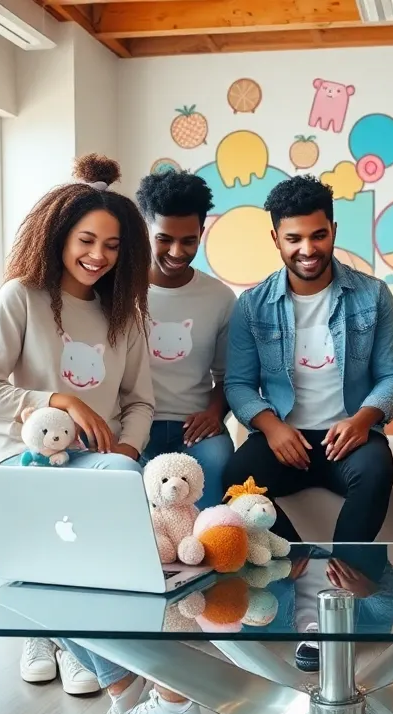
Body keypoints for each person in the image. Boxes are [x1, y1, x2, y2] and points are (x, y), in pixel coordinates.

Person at [0, 155, 197, 714]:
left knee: (104, 574)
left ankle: (148, 697)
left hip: (103, 465)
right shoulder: (21, 297)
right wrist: (60, 399)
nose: (98, 255)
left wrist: (125, 444)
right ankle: (150, 697)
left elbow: (141, 402)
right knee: (60, 579)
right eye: (86, 240)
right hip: (21, 465)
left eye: (113, 246)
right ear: (58, 236)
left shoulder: (123, 312)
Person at [221, 174, 393, 672]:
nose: (308, 248)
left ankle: (330, 604)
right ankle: (299, 566)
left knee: (377, 471)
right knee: (234, 481)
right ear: (276, 239)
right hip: (285, 438)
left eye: (318, 235)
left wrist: (365, 418)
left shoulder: (372, 296)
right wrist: (273, 427)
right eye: (294, 238)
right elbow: (238, 384)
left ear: (333, 230)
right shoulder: (253, 306)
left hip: (349, 435)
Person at [136, 170, 236, 507]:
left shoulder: (219, 298)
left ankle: (202, 555)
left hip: (194, 428)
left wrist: (213, 411)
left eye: (189, 240)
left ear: (201, 234)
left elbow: (228, 376)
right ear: (144, 231)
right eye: (164, 238)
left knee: (220, 459)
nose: (177, 251)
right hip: (133, 424)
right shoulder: (119, 292)